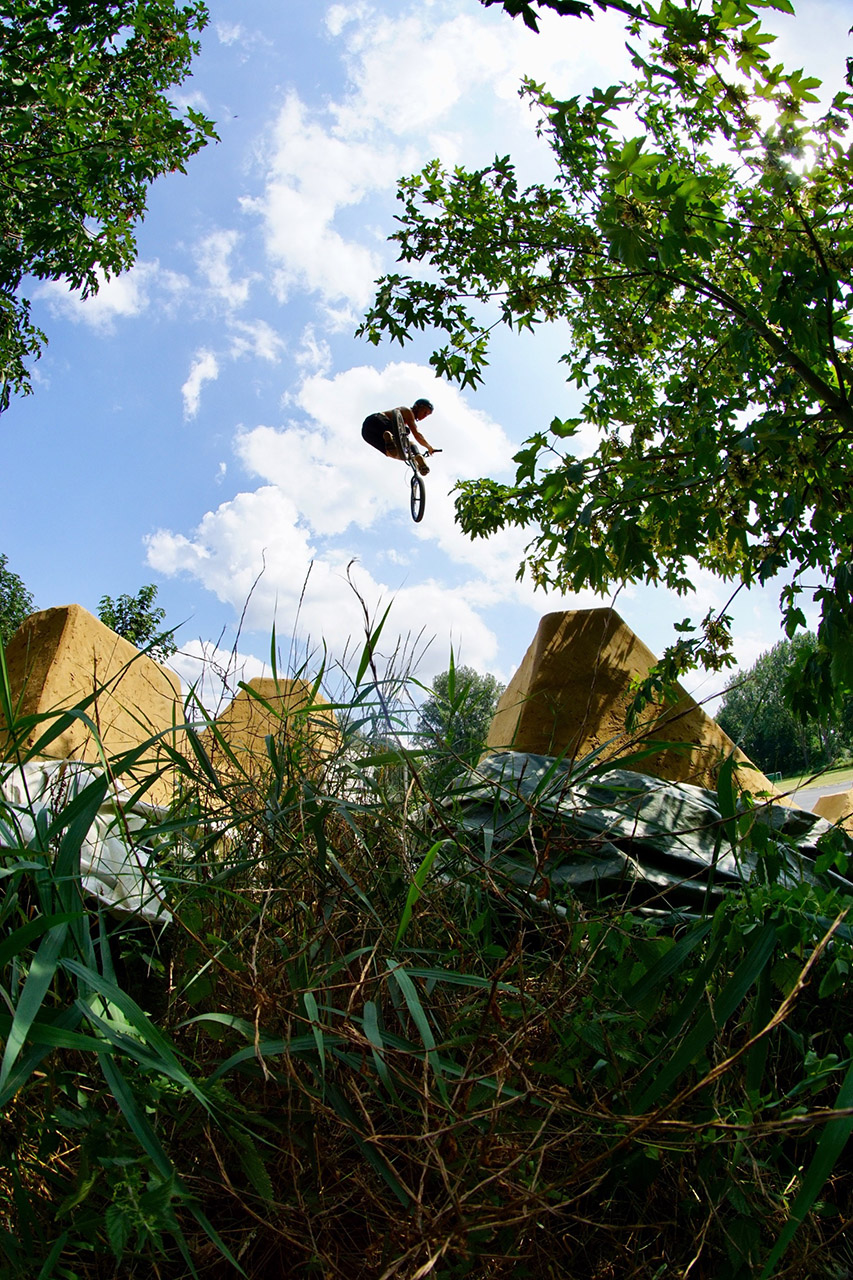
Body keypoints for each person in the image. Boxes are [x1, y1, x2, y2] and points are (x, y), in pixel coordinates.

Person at [362, 398, 435, 475]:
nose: (424, 416)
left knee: (394, 453)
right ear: (417, 407)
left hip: (367, 433)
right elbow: (417, 435)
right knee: (406, 433)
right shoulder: (407, 411)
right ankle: (418, 455)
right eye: (425, 412)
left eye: (427, 415)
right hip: (377, 420)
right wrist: (429, 447)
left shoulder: (404, 417)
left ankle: (390, 440)